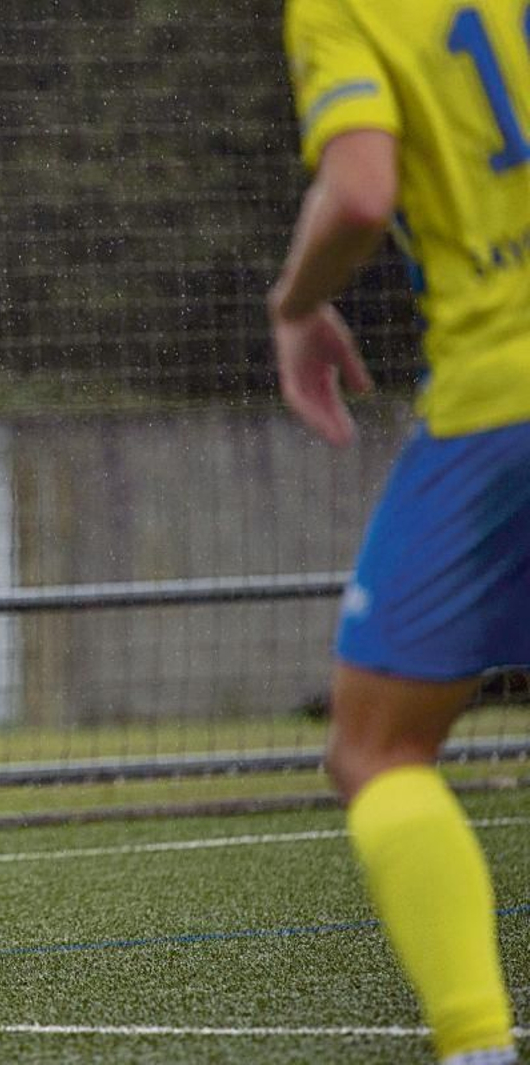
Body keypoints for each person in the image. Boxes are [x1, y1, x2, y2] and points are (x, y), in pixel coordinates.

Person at [271, 1, 528, 1060]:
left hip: (501, 397)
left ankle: (476, 1041)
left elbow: (362, 190)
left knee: (376, 746)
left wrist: (295, 305)